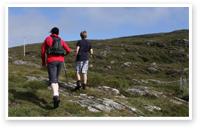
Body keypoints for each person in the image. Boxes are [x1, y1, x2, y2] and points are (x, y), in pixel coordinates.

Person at [41, 27, 71, 108]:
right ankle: (56, 98)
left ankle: (55, 96)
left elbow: (43, 51)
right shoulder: (61, 40)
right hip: (60, 61)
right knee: (56, 80)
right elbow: (69, 50)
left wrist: (43, 63)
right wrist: (62, 56)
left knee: (52, 80)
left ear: (51, 32)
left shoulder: (47, 39)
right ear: (58, 33)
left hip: (51, 61)